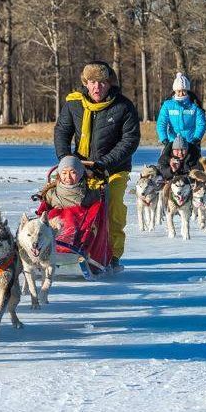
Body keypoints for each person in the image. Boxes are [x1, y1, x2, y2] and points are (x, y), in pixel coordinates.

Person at [54, 61, 141, 272]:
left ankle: (113, 255)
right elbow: (62, 132)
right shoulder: (74, 104)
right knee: (71, 208)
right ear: (86, 83)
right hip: (79, 168)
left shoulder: (123, 106)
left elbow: (130, 140)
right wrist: (67, 161)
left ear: (109, 83)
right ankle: (68, 250)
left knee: (113, 209)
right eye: (92, 82)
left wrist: (104, 163)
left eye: (102, 83)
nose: (97, 87)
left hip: (114, 169)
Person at [156, 73, 206, 163]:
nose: (181, 93)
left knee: (193, 165)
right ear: (174, 90)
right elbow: (161, 123)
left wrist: (196, 139)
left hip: (191, 141)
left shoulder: (195, 105)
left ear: (187, 90)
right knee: (166, 164)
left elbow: (201, 124)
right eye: (178, 91)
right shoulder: (167, 105)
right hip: (172, 142)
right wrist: (164, 140)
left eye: (184, 91)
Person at [35, 156, 100, 213]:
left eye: (73, 172)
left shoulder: (89, 194)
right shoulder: (51, 193)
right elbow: (43, 212)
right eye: (64, 173)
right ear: (60, 174)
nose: (68, 176)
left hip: (82, 225)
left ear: (80, 174)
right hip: (56, 225)